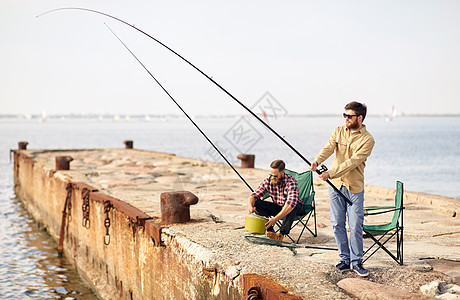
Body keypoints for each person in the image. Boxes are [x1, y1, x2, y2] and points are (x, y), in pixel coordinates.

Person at [310, 101, 375, 277]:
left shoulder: (368, 140)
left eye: (349, 116)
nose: (346, 118)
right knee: (337, 224)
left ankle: (357, 262)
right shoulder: (338, 131)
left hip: (354, 188)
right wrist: (317, 161)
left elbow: (352, 162)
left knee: (355, 226)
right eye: (344, 115)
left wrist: (330, 173)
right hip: (336, 186)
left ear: (359, 118)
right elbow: (328, 147)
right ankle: (345, 260)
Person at [248, 160, 304, 241]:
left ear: (282, 172)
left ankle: (281, 234)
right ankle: (271, 232)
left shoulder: (291, 181)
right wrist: (250, 206)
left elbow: (290, 204)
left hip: (296, 209)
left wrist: (275, 219)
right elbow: (253, 195)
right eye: (271, 174)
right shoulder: (268, 180)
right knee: (257, 203)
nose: (272, 177)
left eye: (275, 176)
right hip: (279, 207)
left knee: (292, 206)